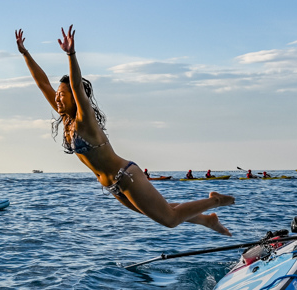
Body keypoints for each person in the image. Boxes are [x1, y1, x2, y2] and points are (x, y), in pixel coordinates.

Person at [16, 26, 233, 235]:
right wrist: (25, 53)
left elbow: (76, 86)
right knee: (157, 210)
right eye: (57, 96)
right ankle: (207, 219)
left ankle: (216, 200)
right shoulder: (67, 120)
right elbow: (42, 83)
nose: (57, 98)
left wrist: (71, 54)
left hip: (126, 176)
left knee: (170, 219)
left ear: (74, 96)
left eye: (62, 95)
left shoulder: (84, 119)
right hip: (112, 185)